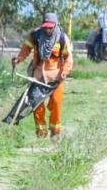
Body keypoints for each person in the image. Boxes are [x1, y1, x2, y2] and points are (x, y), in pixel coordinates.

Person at [12, 12, 73, 140]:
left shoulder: (62, 38)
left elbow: (68, 58)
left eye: (50, 27)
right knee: (37, 105)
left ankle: (55, 132)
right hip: (38, 75)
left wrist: (65, 72)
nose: (48, 29)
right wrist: (18, 59)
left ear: (55, 25)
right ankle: (41, 134)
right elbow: (25, 49)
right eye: (45, 27)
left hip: (56, 77)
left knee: (56, 104)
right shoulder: (35, 35)